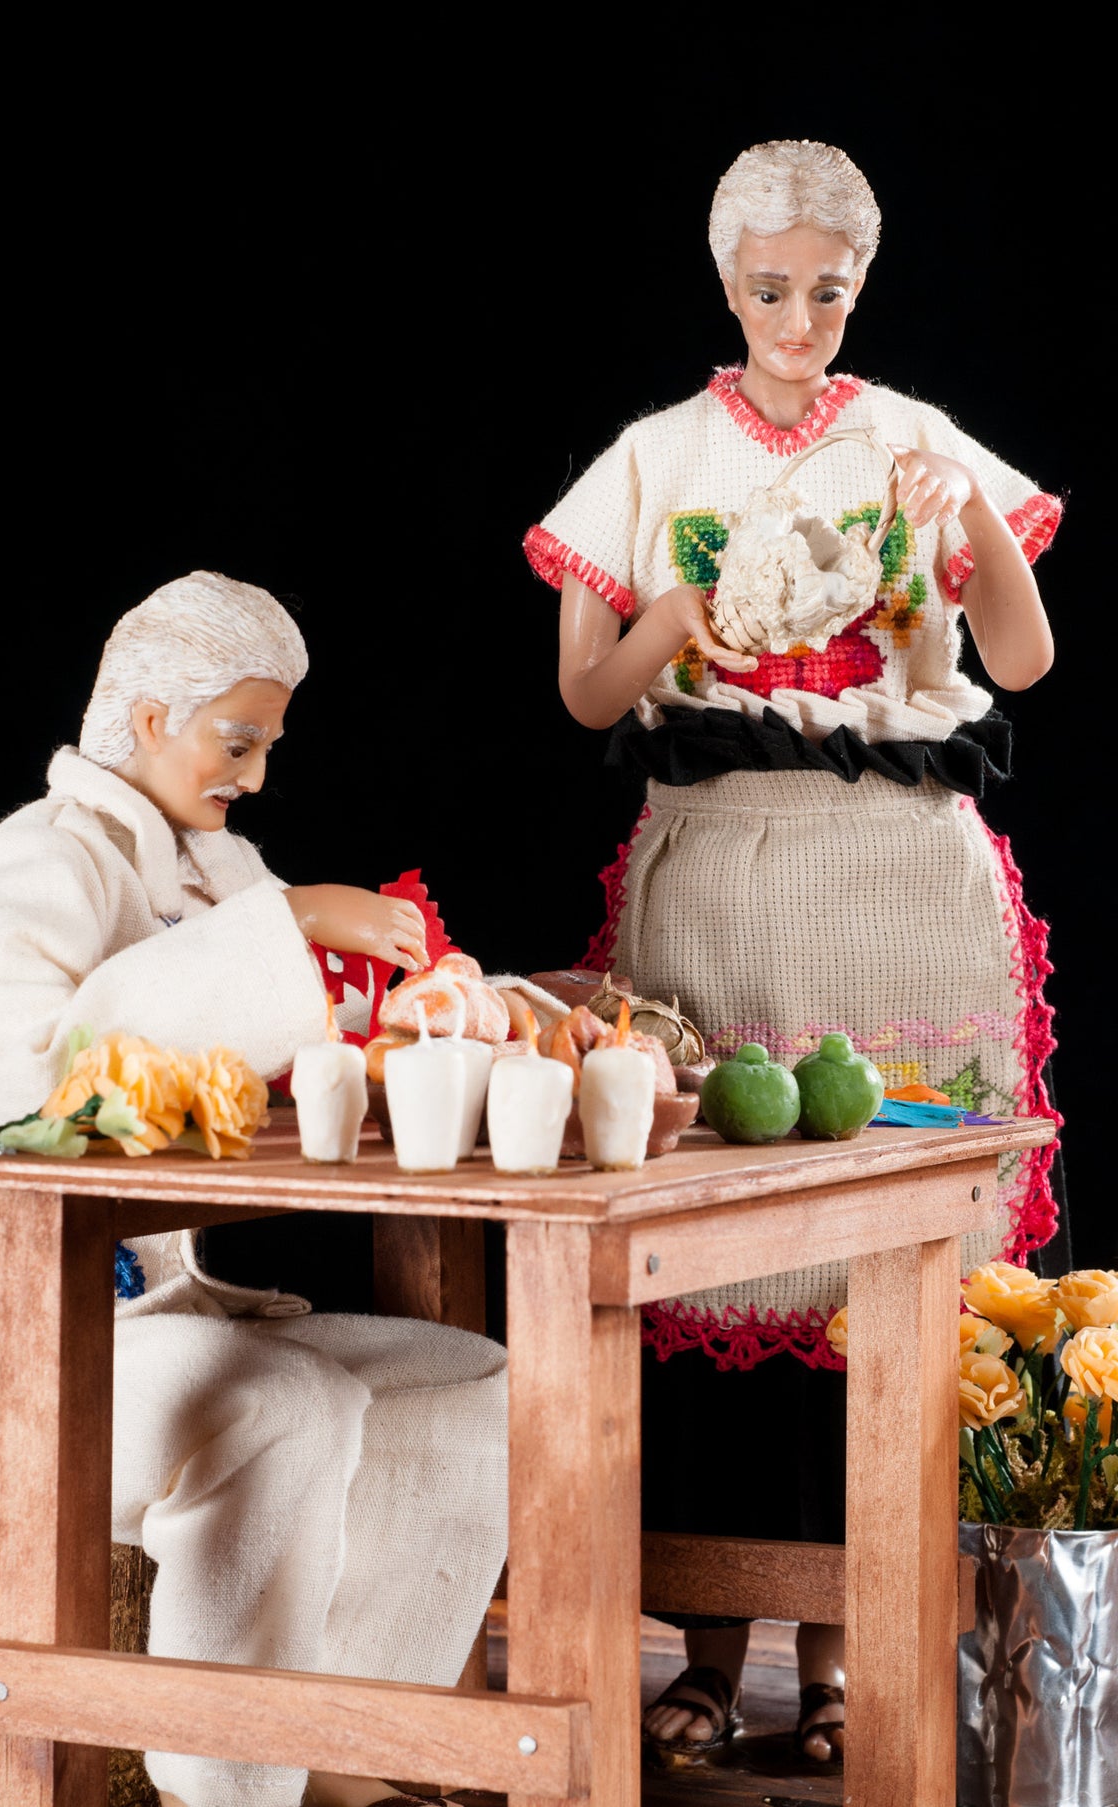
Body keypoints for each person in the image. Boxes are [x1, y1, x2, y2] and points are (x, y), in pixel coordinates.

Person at [523, 140, 1062, 1771]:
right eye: (770, 286)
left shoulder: (910, 441)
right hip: (724, 876)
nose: (799, 316)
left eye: (828, 288)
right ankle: (708, 1653)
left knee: (868, 1277)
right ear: (723, 278)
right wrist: (673, 627)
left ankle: (842, 1661)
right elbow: (586, 693)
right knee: (713, 1264)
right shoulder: (657, 454)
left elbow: (1022, 654)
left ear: (860, 284)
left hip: (898, 868)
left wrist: (966, 515)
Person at [0, 570, 508, 1807]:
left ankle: (353, 1753)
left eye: (265, 744)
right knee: (284, 1404)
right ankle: (222, 1779)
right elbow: (38, 1077)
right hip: (30, 1343)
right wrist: (286, 921)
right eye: (233, 739)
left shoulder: (216, 868)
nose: (250, 772)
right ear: (146, 718)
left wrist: (441, 1000)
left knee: (473, 1383)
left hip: (172, 1316)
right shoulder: (32, 864)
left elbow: (298, 1027)